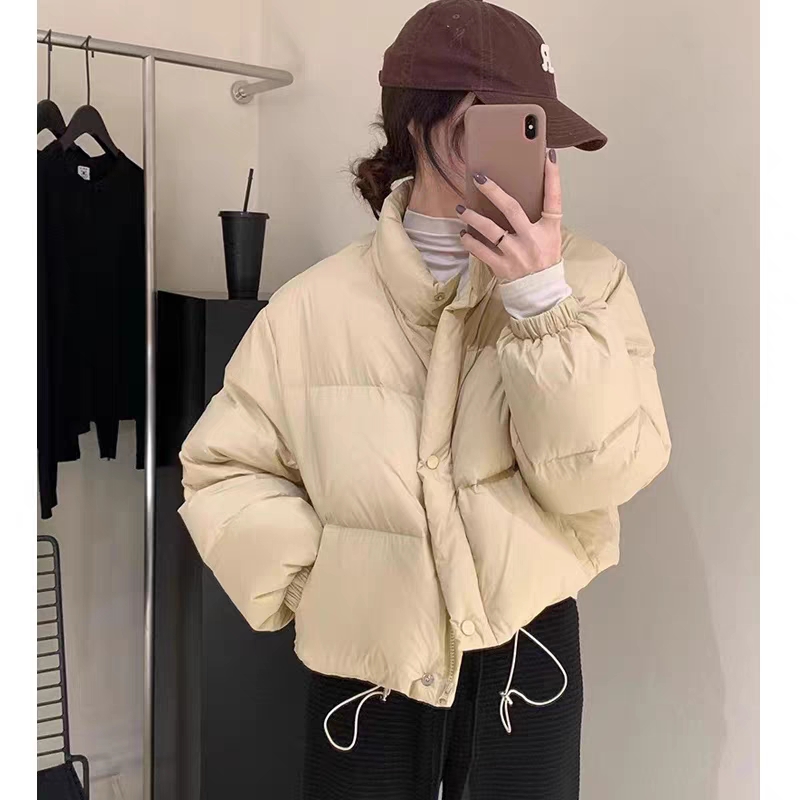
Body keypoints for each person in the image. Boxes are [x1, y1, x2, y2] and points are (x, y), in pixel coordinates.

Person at [178, 1, 671, 797]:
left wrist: (542, 307)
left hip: (527, 661)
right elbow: (222, 469)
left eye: (539, 130)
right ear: (422, 121)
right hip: (366, 670)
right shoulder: (314, 306)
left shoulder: (590, 285)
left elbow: (599, 477)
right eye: (504, 122)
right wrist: (321, 583)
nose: (536, 152)